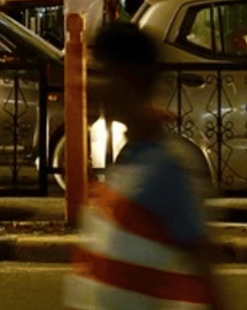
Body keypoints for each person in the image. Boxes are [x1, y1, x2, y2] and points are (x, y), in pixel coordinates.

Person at [65, 22, 222, 310]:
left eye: (101, 72)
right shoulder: (132, 156)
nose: (89, 83)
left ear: (129, 79)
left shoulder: (167, 167)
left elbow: (203, 272)